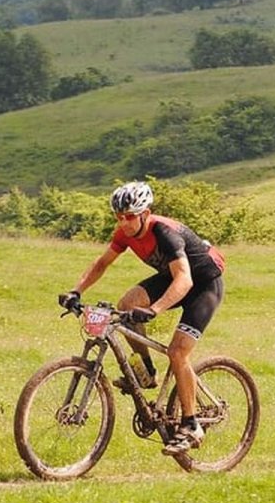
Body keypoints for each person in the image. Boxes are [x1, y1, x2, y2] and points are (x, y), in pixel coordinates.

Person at [60, 181, 226, 455]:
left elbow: (184, 280)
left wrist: (156, 309)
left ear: (145, 214)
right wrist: (76, 291)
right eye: (119, 217)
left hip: (203, 285)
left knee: (177, 352)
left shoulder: (165, 233)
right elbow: (102, 264)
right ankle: (146, 373)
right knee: (125, 307)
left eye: (129, 217)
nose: (124, 222)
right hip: (171, 278)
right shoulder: (124, 233)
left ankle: (191, 424)